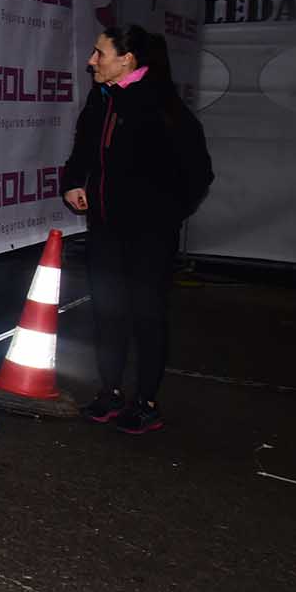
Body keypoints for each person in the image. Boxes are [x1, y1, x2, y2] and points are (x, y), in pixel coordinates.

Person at [61, 26, 213, 434]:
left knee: (147, 315)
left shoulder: (162, 105)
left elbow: (198, 173)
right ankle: (110, 392)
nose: (91, 61)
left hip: (149, 237)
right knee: (107, 311)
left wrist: (163, 217)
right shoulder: (101, 98)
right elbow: (83, 152)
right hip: (105, 230)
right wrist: (73, 183)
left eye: (99, 53)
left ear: (127, 60)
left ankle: (146, 402)